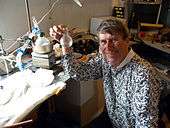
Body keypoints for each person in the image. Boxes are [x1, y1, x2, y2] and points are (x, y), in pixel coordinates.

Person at [49, 19, 160, 128]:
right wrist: (65, 44)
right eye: (103, 41)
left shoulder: (143, 74)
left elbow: (145, 123)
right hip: (112, 120)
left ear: (127, 40)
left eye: (114, 40)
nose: (108, 47)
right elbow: (77, 72)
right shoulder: (104, 60)